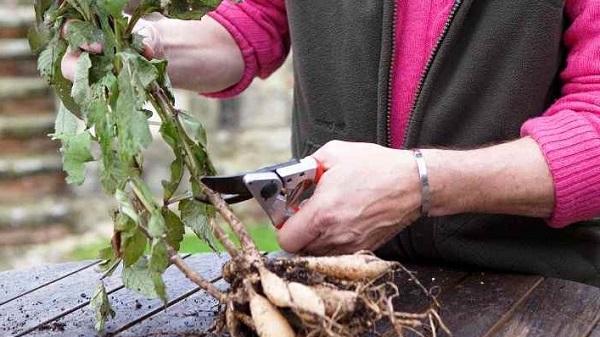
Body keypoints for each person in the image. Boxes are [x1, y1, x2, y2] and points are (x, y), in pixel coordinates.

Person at [62, 0, 600, 286]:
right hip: (341, 281)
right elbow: (250, 26)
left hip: (536, 290)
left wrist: (421, 183)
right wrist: (146, 45)